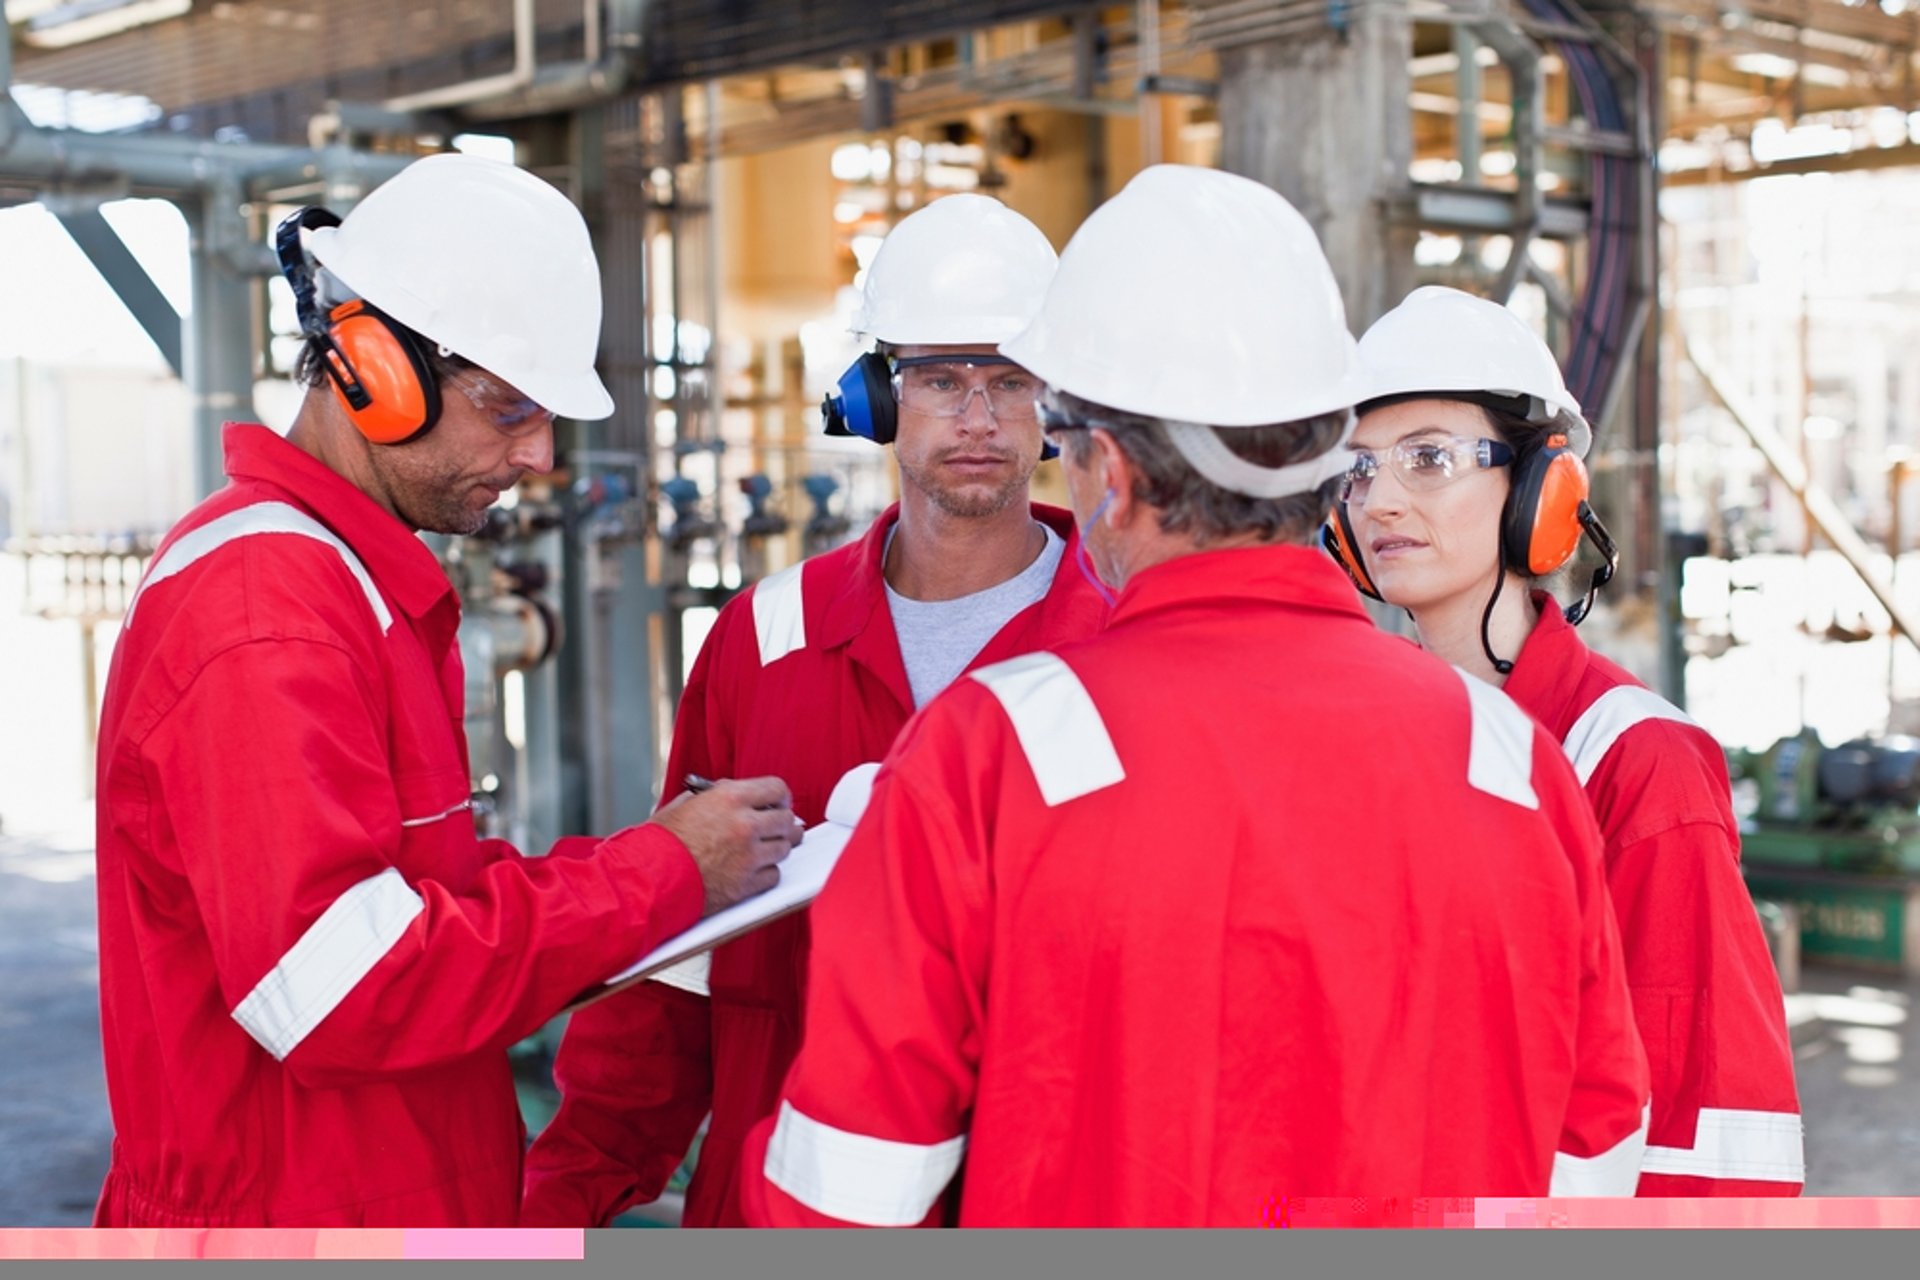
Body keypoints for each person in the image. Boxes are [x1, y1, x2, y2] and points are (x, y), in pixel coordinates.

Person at [732, 165, 1651, 1228]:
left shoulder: (985, 756)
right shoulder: (1512, 757)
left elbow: (842, 1198)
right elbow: (1594, 1151)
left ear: (1112, 473)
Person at [90, 152, 801, 1228]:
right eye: (509, 407)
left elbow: (421, 901)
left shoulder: (347, 583)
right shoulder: (266, 609)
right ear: (372, 366)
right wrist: (660, 874)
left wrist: (656, 867)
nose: (540, 454)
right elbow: (344, 989)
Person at [521, 193, 1111, 1227]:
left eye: (1011, 380)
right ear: (877, 396)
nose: (978, 417)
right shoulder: (765, 638)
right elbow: (677, 958)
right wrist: (561, 1205)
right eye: (941, 379)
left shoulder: (1121, 644)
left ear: (1056, 405)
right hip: (779, 1205)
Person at [1325, 284, 1803, 1195]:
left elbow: (1712, 1129)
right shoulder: (1357, 749)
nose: (1379, 499)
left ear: (1541, 490)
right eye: (1357, 469)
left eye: (1427, 458)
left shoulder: (1634, 760)